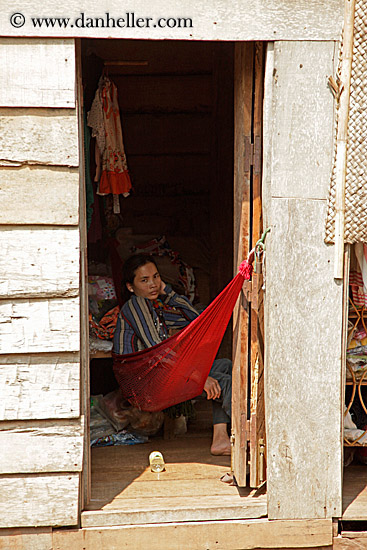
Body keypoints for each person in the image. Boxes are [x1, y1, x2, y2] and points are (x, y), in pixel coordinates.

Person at [113, 253, 232, 456]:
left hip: (159, 376)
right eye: (144, 280)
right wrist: (198, 377)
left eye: (156, 277)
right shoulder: (136, 305)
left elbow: (196, 321)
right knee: (223, 381)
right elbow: (157, 351)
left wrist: (167, 292)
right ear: (130, 287)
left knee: (224, 366)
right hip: (145, 385)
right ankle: (243, 435)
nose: (153, 284)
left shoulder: (155, 307)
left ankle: (221, 438)